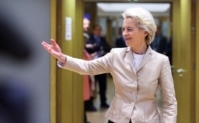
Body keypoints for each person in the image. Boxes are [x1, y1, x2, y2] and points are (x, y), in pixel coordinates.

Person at [41, 7, 177, 123]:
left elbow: (170, 102)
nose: (124, 33)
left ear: (145, 31)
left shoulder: (161, 61)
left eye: (129, 29)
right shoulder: (115, 55)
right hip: (117, 119)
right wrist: (63, 57)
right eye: (123, 29)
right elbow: (88, 67)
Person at [85, 24, 111, 109]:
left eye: (99, 30)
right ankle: (91, 103)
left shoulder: (102, 39)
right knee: (93, 85)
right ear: (93, 31)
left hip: (102, 65)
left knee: (103, 85)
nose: (98, 32)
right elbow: (89, 49)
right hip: (93, 65)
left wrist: (100, 47)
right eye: (96, 30)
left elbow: (108, 48)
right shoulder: (90, 39)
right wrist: (98, 47)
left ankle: (103, 102)